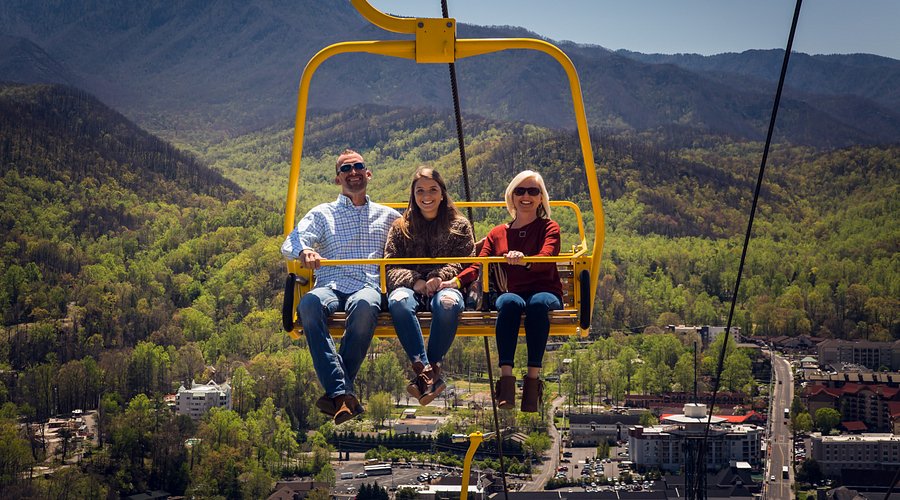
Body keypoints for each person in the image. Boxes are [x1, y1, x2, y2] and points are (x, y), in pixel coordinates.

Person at [281, 149, 400, 424]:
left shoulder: (388, 216)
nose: (353, 172)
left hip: (367, 284)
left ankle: (337, 394)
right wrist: (305, 252)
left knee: (366, 305)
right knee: (309, 304)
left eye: (358, 166)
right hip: (332, 283)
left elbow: (416, 238)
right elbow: (292, 241)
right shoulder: (323, 214)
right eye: (346, 169)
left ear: (368, 173)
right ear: (338, 179)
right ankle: (343, 394)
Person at [456, 170, 562, 412]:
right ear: (511, 197)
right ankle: (506, 382)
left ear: (541, 198)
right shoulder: (498, 233)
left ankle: (533, 382)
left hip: (545, 290)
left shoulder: (549, 228)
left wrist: (525, 260)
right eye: (520, 191)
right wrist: (456, 281)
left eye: (533, 191)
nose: (526, 196)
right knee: (508, 303)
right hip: (513, 291)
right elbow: (478, 265)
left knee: (537, 306)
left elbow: (547, 255)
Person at [384, 167, 475, 405]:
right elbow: (390, 266)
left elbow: (466, 261)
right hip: (411, 286)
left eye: (433, 190)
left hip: (446, 285)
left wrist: (438, 277)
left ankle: (426, 373)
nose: (427, 196)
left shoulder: (459, 226)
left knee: (448, 304)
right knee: (397, 302)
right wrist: (416, 281)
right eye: (420, 190)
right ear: (413, 195)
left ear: (442, 193)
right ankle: (429, 372)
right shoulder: (400, 228)